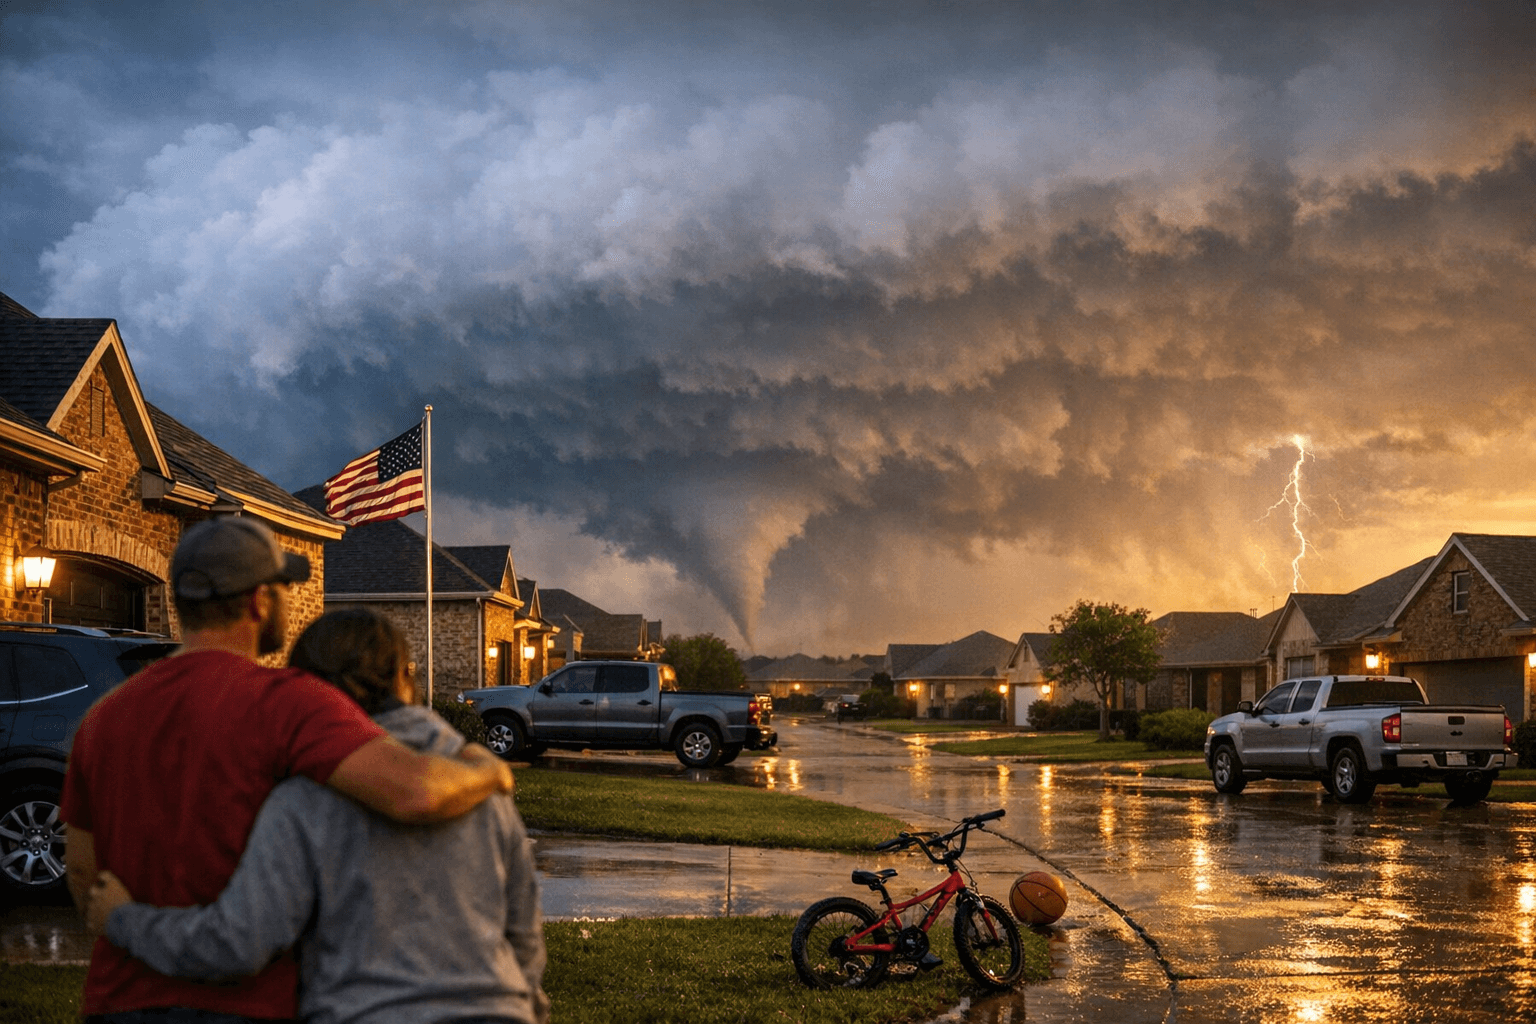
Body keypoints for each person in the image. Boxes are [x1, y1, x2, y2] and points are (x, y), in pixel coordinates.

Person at [62, 517, 514, 1023]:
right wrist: (486, 771)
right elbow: (415, 792)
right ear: (259, 601)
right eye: (283, 587)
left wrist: (127, 921)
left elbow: (83, 873)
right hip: (249, 1005)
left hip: (117, 1000)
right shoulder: (289, 703)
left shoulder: (102, 717)